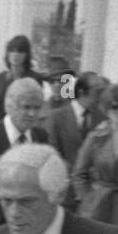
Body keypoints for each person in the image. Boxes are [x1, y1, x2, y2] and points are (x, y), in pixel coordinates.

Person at [72, 83, 118, 226]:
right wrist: (87, 198)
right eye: (115, 107)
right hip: (96, 205)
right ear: (106, 109)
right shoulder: (96, 137)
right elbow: (79, 173)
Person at [46, 71, 105, 205]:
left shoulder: (102, 118)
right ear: (83, 92)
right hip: (64, 191)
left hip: (93, 194)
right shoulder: (56, 117)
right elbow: (52, 152)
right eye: (98, 92)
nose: (102, 96)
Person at [0, 34, 45, 122]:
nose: (15, 55)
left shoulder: (34, 78)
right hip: (1, 125)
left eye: (20, 52)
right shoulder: (2, 77)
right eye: (12, 51)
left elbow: (36, 106)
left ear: (26, 55)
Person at [0, 77, 49, 156]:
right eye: (26, 107)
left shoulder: (41, 137)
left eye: (37, 108)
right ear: (9, 106)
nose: (32, 113)